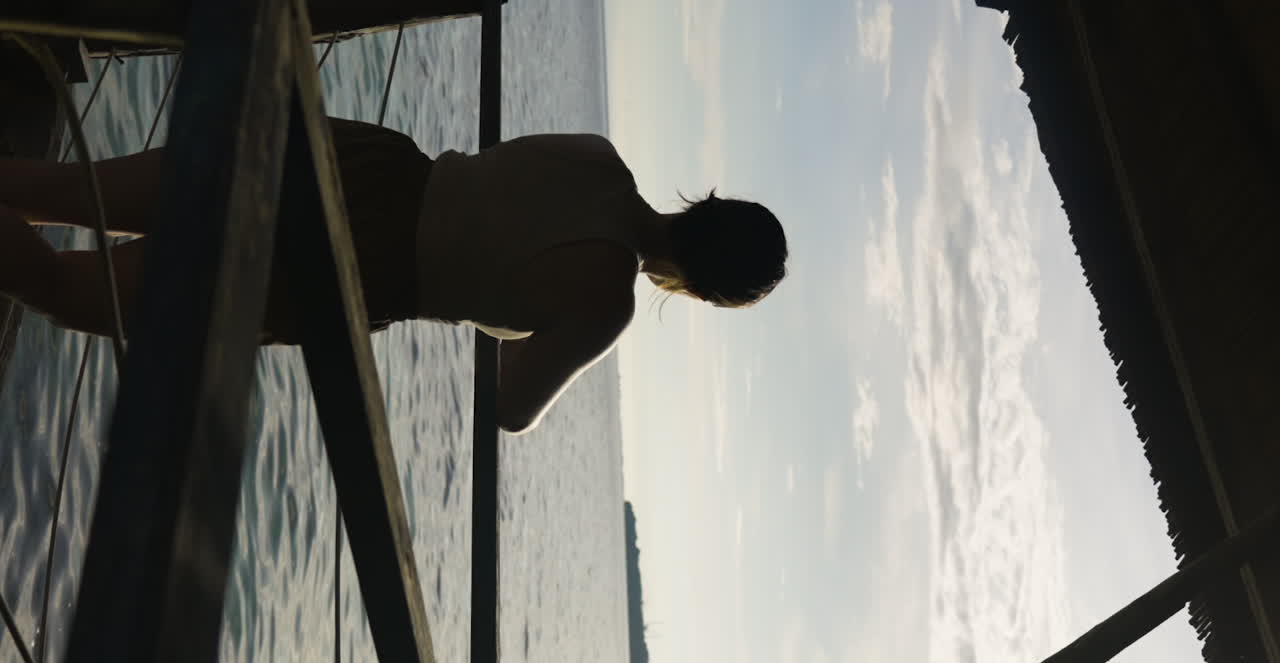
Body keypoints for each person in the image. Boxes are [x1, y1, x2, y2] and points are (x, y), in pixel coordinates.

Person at [0, 118, 788, 433]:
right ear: (703, 291)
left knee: (68, 189)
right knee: (68, 291)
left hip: (367, 162)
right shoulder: (603, 301)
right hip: (358, 269)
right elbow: (512, 408)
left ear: (707, 205)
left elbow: (493, 188)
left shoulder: (597, 153)